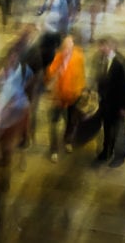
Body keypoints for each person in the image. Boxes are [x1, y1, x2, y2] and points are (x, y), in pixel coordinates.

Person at [95, 37, 125, 167]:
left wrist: (123, 107)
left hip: (118, 105)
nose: (101, 49)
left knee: (118, 131)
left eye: (103, 46)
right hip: (107, 103)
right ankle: (106, 151)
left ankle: (120, 156)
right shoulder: (103, 59)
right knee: (107, 128)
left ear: (111, 47)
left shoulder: (120, 63)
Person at [46, 34, 85, 162]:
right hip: (58, 98)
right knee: (54, 123)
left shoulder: (78, 57)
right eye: (64, 46)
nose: (66, 48)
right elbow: (50, 74)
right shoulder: (58, 57)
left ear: (73, 46)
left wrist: (79, 92)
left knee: (71, 122)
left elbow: (81, 76)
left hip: (73, 97)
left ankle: (67, 141)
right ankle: (54, 149)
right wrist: (54, 75)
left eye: (69, 45)